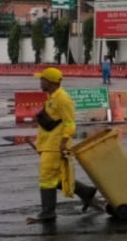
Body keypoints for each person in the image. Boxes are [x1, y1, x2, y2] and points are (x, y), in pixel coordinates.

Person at [28, 66, 100, 223]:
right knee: (56, 177)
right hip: (48, 144)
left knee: (47, 177)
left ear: (50, 82)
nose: (40, 82)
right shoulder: (51, 97)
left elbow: (70, 123)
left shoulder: (63, 99)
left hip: (55, 146)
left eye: (42, 79)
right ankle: (86, 192)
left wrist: (63, 142)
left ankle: (48, 212)